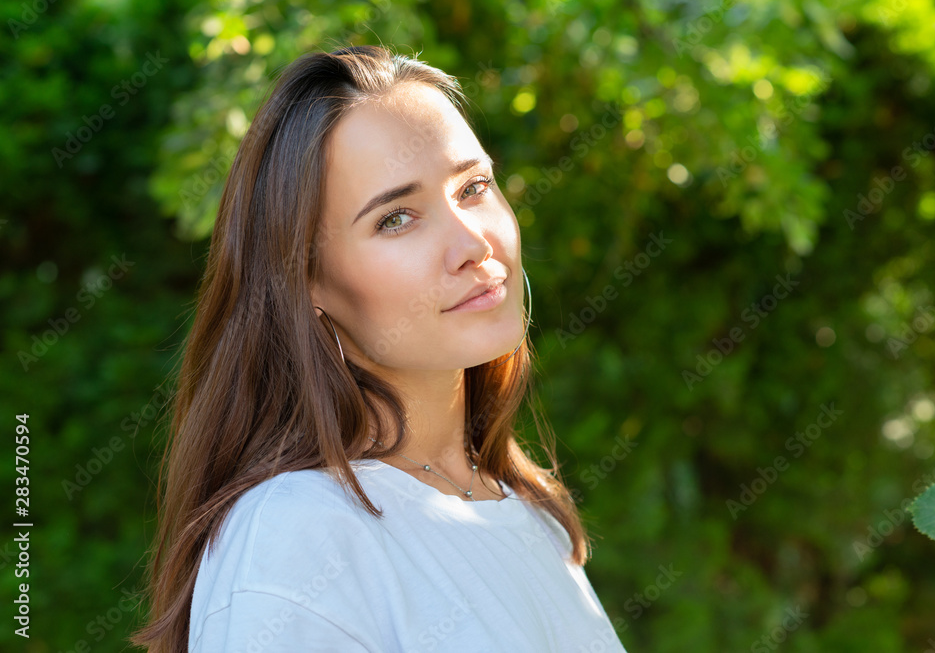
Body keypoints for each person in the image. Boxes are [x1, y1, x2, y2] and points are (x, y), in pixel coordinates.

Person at [129, 44, 628, 652]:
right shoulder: (298, 535)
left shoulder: (529, 512)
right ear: (307, 282)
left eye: (473, 187)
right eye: (396, 218)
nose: (473, 242)